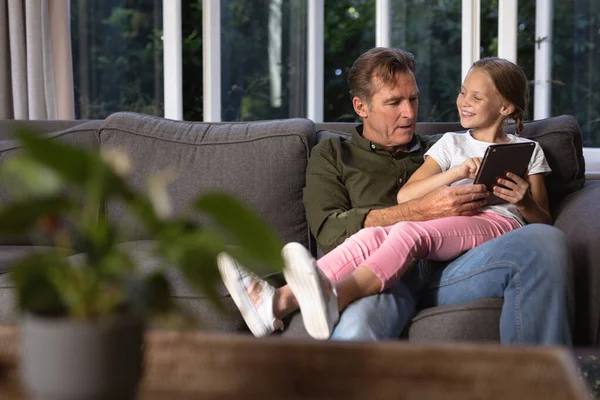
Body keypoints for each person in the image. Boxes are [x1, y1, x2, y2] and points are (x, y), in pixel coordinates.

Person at [218, 48, 573, 345]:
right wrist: (419, 209)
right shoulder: (332, 155)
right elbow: (330, 230)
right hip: (380, 271)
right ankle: (287, 299)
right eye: (394, 102)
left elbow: (521, 210)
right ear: (362, 106)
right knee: (357, 328)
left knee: (544, 240)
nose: (409, 112)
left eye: (413, 99)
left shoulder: (444, 146)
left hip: (451, 267)